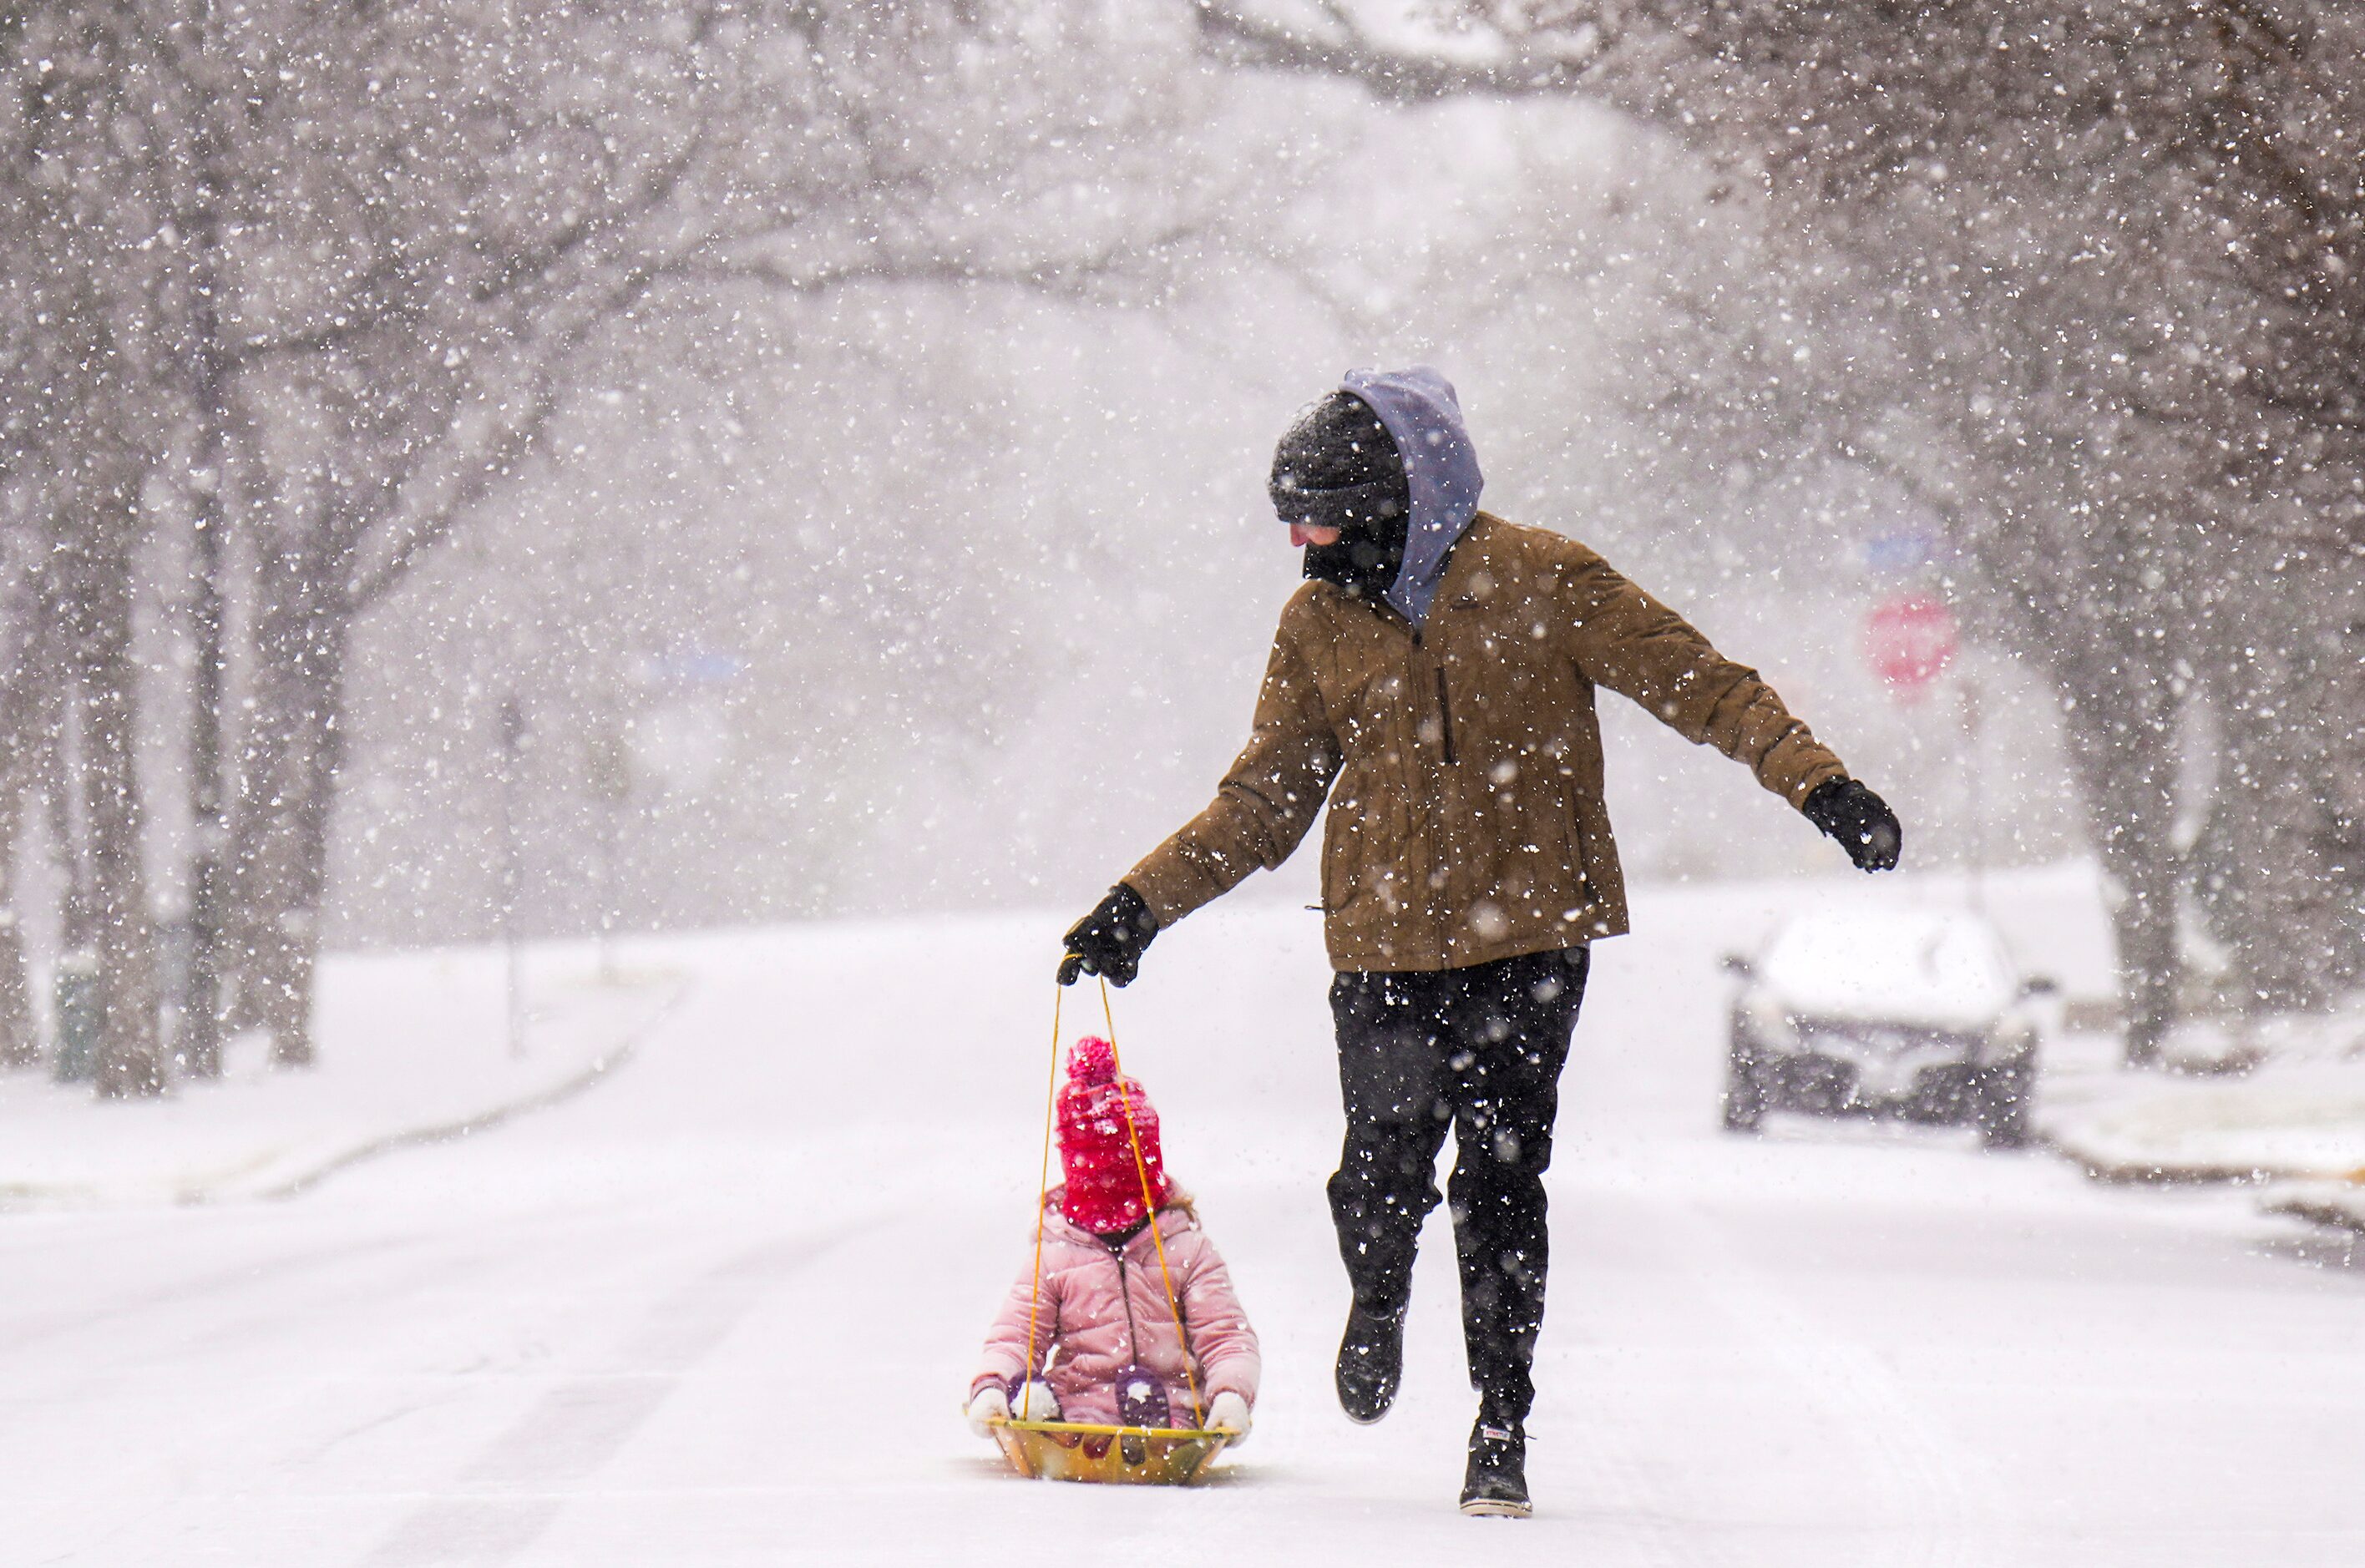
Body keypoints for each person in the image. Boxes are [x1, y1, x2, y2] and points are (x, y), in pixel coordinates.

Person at [1056, 367, 1901, 1517]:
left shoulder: (1544, 578)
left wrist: (1822, 785)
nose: (1302, 543)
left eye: (1317, 515)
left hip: (1531, 945)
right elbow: (1265, 797)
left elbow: (1700, 684)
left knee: (1503, 1182)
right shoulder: (1317, 623)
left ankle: (1501, 1423)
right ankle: (1380, 1285)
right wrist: (1137, 905)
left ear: (1399, 498)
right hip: (1384, 951)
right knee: (1378, 1172)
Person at [969, 1038, 1258, 1444]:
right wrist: (991, 1386)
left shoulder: (1186, 1249)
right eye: (1096, 1170)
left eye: (1120, 1168)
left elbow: (1226, 1335)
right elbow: (1016, 1335)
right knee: (1046, 1393)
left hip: (1174, 1409)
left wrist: (1230, 1395)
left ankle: (1150, 1422)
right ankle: (1036, 1409)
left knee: (1168, 1409)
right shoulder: (1055, 1256)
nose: (1110, 1187)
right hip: (1079, 1411)